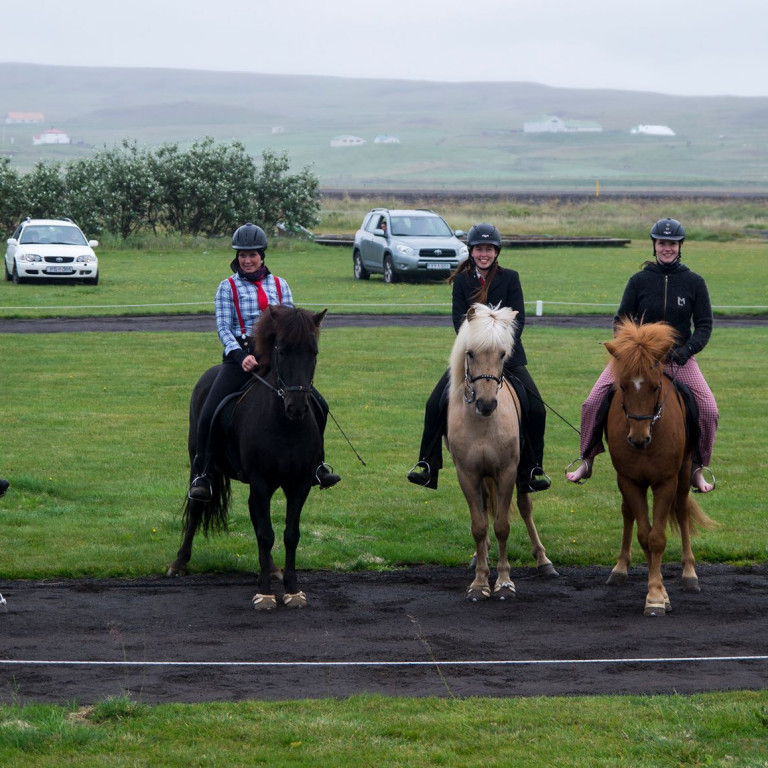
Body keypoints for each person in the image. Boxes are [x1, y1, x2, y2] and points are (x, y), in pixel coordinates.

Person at [188, 223, 340, 501]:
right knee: (209, 410)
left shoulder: (280, 285)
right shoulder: (227, 287)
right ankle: (203, 473)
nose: (247, 260)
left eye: (253, 255)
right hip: (240, 359)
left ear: (262, 256)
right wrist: (239, 355)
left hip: (275, 359)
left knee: (319, 405)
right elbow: (223, 327)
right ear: (236, 257)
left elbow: (294, 324)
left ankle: (317, 464)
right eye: (242, 255)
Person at [566, 217, 718, 493]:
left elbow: (705, 325)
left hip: (677, 359)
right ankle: (586, 459)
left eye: (672, 244)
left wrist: (687, 350)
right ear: (654, 246)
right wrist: (628, 351)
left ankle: (698, 466)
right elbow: (620, 319)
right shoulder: (639, 281)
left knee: (708, 408)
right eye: (662, 243)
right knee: (592, 402)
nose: (667, 248)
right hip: (636, 361)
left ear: (680, 246)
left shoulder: (694, 282)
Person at [407, 222, 551, 492]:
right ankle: (427, 464)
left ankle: (533, 468)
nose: (483, 254)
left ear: (496, 252)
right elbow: (458, 321)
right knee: (433, 404)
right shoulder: (462, 281)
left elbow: (518, 318)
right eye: (478, 249)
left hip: (506, 356)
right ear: (471, 251)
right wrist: (477, 350)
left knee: (537, 409)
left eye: (489, 249)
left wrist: (499, 352)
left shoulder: (511, 278)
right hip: (472, 358)